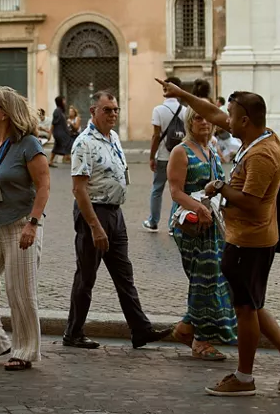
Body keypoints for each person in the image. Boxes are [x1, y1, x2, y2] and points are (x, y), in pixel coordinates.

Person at [157, 78, 280, 397]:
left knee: (244, 308)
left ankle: (244, 378)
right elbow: (212, 113)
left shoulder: (260, 156)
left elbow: (251, 202)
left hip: (249, 241)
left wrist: (218, 188)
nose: (222, 120)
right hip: (251, 237)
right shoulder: (259, 139)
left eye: (231, 115)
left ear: (245, 120)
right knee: (253, 303)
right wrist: (182, 95)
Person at [64, 90, 173, 350]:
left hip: (115, 213)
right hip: (94, 213)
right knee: (86, 277)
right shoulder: (83, 143)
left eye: (115, 110)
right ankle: (73, 332)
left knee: (125, 275)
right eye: (107, 110)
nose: (113, 114)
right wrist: (95, 226)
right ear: (93, 112)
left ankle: (140, 330)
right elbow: (79, 189)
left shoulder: (112, 137)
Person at [0, 87, 50, 371]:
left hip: (21, 224)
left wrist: (33, 223)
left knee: (20, 290)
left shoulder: (29, 144)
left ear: (4, 112)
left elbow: (43, 186)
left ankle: (25, 350)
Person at [167, 103, 237, 361]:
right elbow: (175, 192)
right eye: (198, 118)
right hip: (191, 225)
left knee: (213, 279)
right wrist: (199, 207)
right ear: (189, 123)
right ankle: (199, 340)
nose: (204, 123)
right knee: (203, 278)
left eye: (207, 119)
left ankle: (188, 328)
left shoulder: (213, 149)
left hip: (213, 224)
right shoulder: (180, 151)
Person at [143, 77, 186, 233]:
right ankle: (172, 225)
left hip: (163, 155)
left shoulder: (158, 110)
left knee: (157, 189)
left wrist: (151, 156)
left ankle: (153, 222)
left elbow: (156, 136)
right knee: (178, 191)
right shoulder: (185, 111)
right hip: (180, 157)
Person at [49, 96, 72, 167]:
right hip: (59, 133)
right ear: (60, 102)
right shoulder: (57, 111)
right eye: (64, 100)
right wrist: (50, 133)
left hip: (61, 132)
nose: (65, 102)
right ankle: (68, 158)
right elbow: (53, 123)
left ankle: (50, 161)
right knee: (69, 142)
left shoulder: (60, 111)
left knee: (57, 146)